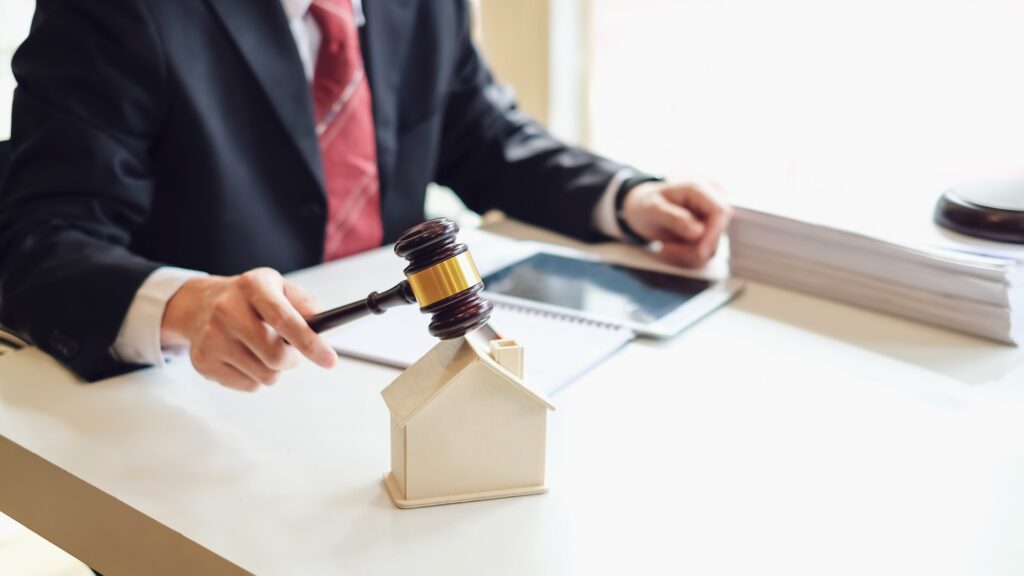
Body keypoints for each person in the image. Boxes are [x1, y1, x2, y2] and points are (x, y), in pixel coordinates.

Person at [0, 0, 731, 391]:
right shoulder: (114, 10)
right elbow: (42, 240)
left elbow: (474, 129)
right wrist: (188, 307)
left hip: (394, 370)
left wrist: (626, 196)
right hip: (212, 400)